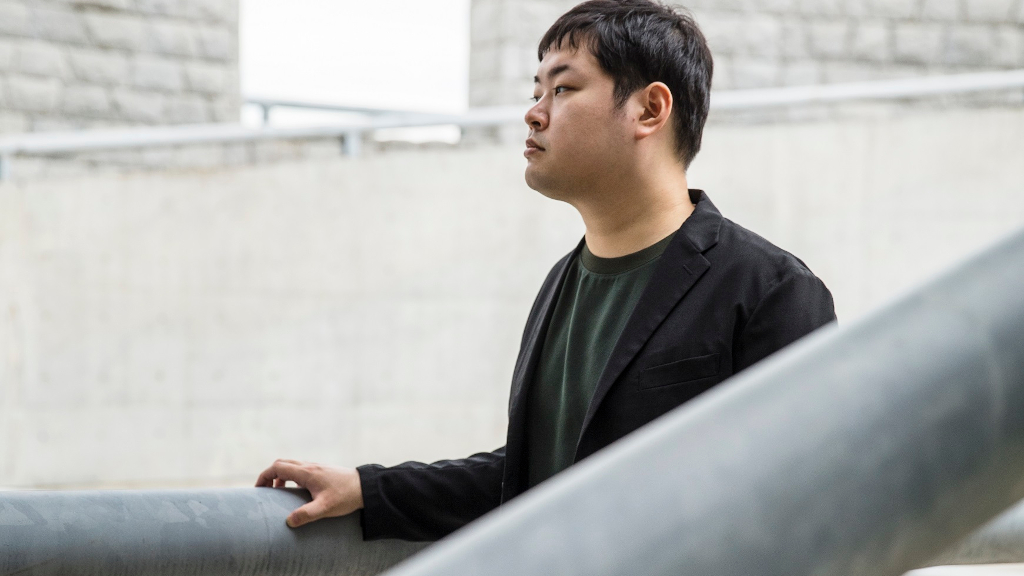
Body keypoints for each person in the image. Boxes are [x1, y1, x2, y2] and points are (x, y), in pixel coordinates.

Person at [256, 0, 836, 541]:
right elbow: (532, 479)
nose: (534, 114)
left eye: (563, 88)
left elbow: (812, 503)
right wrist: (370, 490)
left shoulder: (770, 290)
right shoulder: (562, 282)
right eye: (537, 92)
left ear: (649, 109)